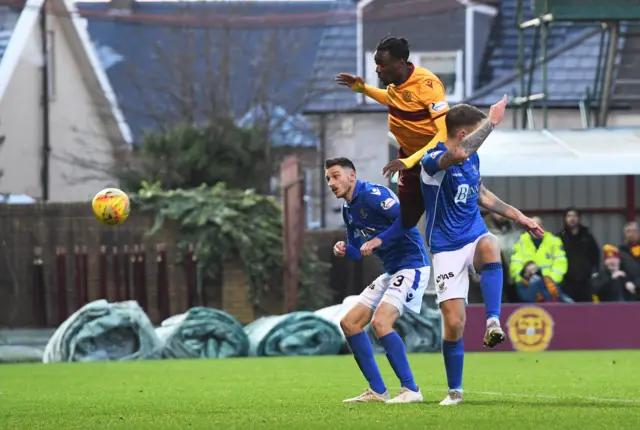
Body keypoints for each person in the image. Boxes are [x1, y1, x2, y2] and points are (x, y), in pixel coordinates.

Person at [418, 96, 544, 406]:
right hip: (445, 247)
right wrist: (491, 123)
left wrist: (520, 217)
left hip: (473, 236)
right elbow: (458, 153)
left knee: (491, 244)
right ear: (463, 134)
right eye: (477, 133)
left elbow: (483, 196)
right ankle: (455, 391)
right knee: (454, 324)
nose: (481, 141)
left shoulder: (472, 160)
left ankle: (492, 322)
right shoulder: (432, 161)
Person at [326, 157, 430, 404]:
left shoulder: (373, 194)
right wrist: (343, 249)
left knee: (380, 323)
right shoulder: (348, 209)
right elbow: (357, 251)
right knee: (349, 323)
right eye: (328, 178)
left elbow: (407, 218)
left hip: (412, 265)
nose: (331, 182)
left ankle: (411, 390)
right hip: (391, 271)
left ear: (352, 175)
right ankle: (378, 391)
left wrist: (379, 240)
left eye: (336, 175)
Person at [335, 36, 448, 228]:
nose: (377, 69)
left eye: (382, 64)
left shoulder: (427, 84)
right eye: (376, 64)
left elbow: (444, 134)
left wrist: (411, 161)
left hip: (433, 158)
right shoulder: (396, 84)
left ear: (400, 64)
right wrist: (363, 89)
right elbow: (393, 99)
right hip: (408, 157)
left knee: (443, 217)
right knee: (406, 219)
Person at [557, 207, 600, 302]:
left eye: (574, 216)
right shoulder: (560, 237)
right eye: (569, 216)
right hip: (567, 282)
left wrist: (592, 272)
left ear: (579, 218)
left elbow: (595, 254)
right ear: (565, 219)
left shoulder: (587, 236)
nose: (572, 218)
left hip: (585, 282)